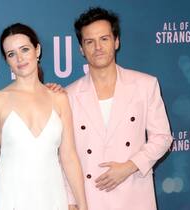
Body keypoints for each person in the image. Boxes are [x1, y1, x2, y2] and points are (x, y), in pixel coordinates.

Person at [66, 7, 173, 210]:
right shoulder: (69, 95)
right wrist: (71, 201)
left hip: (134, 191)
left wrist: (129, 167)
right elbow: (66, 155)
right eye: (90, 42)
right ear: (81, 48)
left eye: (104, 39)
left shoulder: (145, 84)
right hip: (90, 197)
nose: (98, 47)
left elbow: (163, 137)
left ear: (116, 42)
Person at [0, 23, 88, 210]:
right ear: (7, 61)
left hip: (53, 197)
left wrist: (83, 205)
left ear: (37, 50)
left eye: (24, 49)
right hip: (11, 198)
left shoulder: (59, 98)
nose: (20, 58)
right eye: (11, 54)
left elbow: (69, 156)